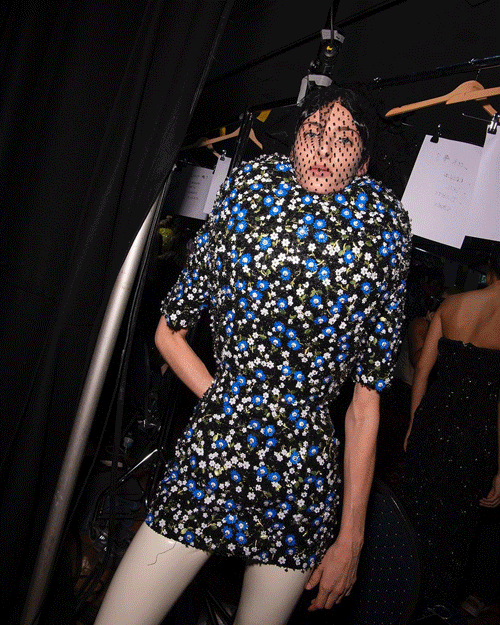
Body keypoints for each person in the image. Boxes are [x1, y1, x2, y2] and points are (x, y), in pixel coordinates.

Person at [94, 83, 411, 625]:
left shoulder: (386, 235)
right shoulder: (247, 194)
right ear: (294, 139)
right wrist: (229, 402)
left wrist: (351, 538)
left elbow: (365, 405)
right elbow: (169, 332)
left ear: (364, 161)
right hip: (214, 451)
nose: (325, 149)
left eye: (344, 139)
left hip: (302, 476)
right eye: (314, 132)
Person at [399, 247, 500, 612]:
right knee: (456, 530)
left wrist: (414, 423)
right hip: (477, 435)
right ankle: (435, 607)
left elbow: (422, 372)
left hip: (435, 421)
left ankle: (398, 597)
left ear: (489, 268)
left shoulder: (452, 305)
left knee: (416, 514)